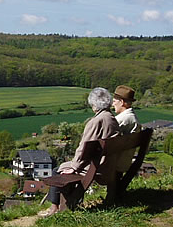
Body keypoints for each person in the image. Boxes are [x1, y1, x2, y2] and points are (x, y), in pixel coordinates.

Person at [39, 87, 119, 217]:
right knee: (65, 168)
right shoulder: (112, 118)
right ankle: (64, 204)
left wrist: (74, 167)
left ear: (94, 105)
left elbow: (83, 148)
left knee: (57, 170)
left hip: (96, 167)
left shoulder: (96, 121)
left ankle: (54, 208)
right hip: (109, 165)